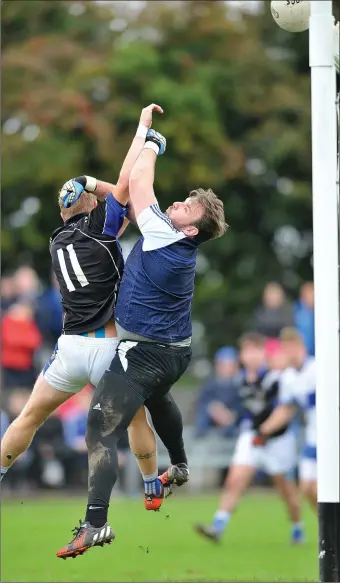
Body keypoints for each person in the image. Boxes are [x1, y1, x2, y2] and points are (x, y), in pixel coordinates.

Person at [56, 125, 227, 559]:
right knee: (159, 399)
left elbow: (137, 183)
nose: (176, 205)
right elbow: (133, 192)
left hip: (146, 353)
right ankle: (181, 464)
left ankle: (95, 524)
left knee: (99, 428)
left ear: (190, 230)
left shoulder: (165, 233)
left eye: (186, 208)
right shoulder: (178, 241)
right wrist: (95, 183)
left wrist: (152, 142)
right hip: (176, 352)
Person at [0, 105, 186, 501]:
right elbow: (122, 185)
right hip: (106, 345)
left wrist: (80, 189)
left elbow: (108, 204)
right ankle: (152, 485)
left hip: (69, 348)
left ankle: (0, 469)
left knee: (29, 416)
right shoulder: (99, 227)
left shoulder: (56, 240)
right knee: (136, 415)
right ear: (88, 205)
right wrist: (142, 133)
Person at [194, 333, 304, 545]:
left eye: (255, 350)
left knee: (286, 490)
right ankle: (217, 526)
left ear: (264, 353)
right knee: (235, 479)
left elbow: (284, 411)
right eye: (246, 351)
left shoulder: (276, 378)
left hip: (278, 441)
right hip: (252, 437)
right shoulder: (240, 379)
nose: (251, 356)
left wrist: (265, 431)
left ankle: (297, 528)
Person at [258, 328, 317, 511]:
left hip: (331, 436)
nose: (288, 352)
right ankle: (330, 529)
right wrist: (263, 430)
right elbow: (285, 410)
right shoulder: (288, 378)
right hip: (313, 436)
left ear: (301, 347)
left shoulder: (317, 368)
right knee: (308, 487)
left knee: (316, 487)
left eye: (292, 347)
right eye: (285, 348)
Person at [194, 346, 242, 439]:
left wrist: (230, 417)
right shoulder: (209, 385)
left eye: (230, 365)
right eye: (223, 365)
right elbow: (202, 406)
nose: (226, 369)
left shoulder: (241, 385)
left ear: (236, 366)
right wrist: (212, 409)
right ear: (217, 365)